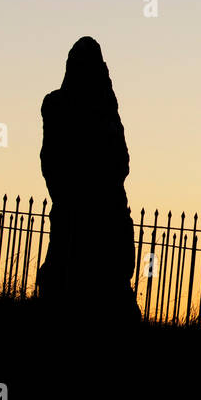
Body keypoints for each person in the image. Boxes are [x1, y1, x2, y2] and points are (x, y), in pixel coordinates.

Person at [37, 37, 140, 329]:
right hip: (84, 213)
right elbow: (53, 164)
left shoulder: (100, 110)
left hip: (102, 214)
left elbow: (121, 162)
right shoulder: (60, 106)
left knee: (105, 290)